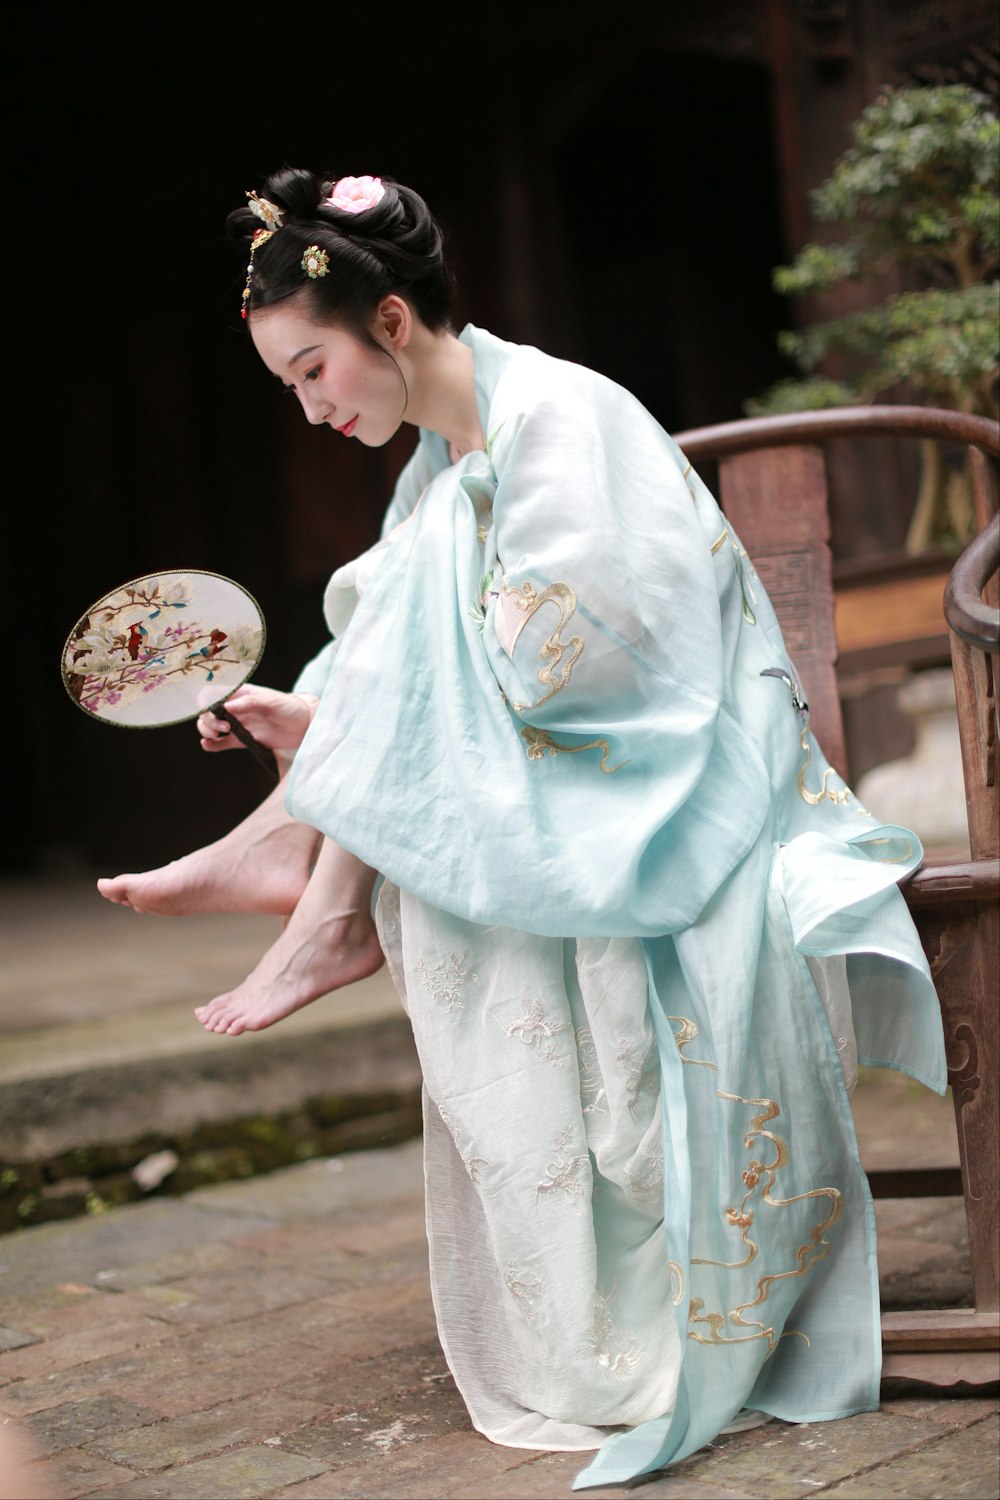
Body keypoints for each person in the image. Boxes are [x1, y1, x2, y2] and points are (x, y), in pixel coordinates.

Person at [97, 168, 947, 1490]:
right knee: (379, 671)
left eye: (315, 369)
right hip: (559, 784)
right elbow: (402, 635)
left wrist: (360, 717)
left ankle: (315, 885)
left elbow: (594, 673)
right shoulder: (445, 463)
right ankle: (311, 857)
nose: (313, 407)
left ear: (389, 323)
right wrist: (317, 710)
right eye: (290, 386)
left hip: (681, 772)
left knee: (392, 686)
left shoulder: (561, 420)